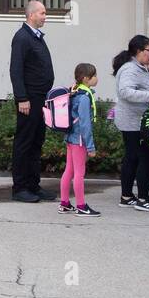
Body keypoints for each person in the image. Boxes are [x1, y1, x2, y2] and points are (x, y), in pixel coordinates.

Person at [112, 34, 149, 212]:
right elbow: (125, 91)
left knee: (132, 158)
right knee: (144, 159)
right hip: (134, 123)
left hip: (137, 121)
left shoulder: (139, 68)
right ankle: (142, 198)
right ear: (139, 51)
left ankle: (127, 196)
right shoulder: (130, 69)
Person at [9, 0, 54, 203]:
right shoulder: (22, 37)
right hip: (29, 100)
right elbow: (16, 70)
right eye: (42, 13)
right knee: (24, 143)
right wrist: (22, 98)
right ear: (31, 15)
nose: (45, 16)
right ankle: (20, 188)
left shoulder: (36, 37)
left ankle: (33, 185)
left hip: (40, 99)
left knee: (36, 142)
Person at [58, 63, 100, 217]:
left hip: (70, 138)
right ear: (86, 79)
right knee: (79, 173)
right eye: (94, 76)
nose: (97, 78)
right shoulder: (83, 98)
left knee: (69, 170)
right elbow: (85, 124)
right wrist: (90, 146)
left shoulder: (74, 91)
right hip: (79, 140)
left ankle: (64, 203)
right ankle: (81, 206)